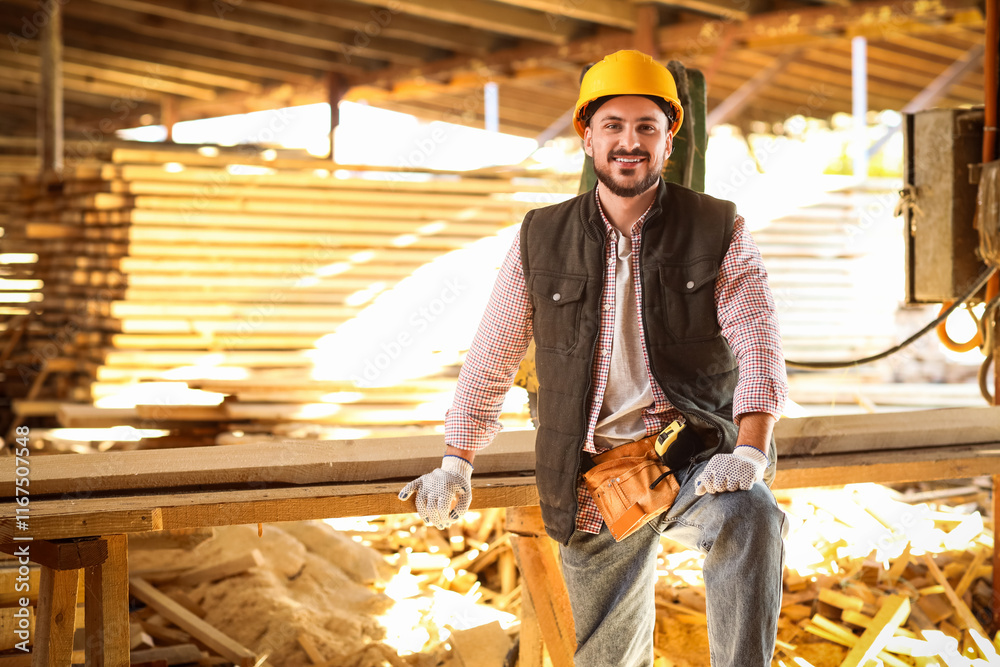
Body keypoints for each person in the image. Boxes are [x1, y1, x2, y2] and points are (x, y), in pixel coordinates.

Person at [400, 50, 788, 667]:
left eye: (645, 128)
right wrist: (456, 461)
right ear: (586, 137)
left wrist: (751, 446)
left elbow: (756, 338)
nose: (628, 142)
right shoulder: (540, 236)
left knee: (751, 515)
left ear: (667, 142)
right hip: (594, 480)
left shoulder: (718, 227)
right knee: (608, 660)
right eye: (613, 126)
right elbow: (493, 354)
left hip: (692, 460)